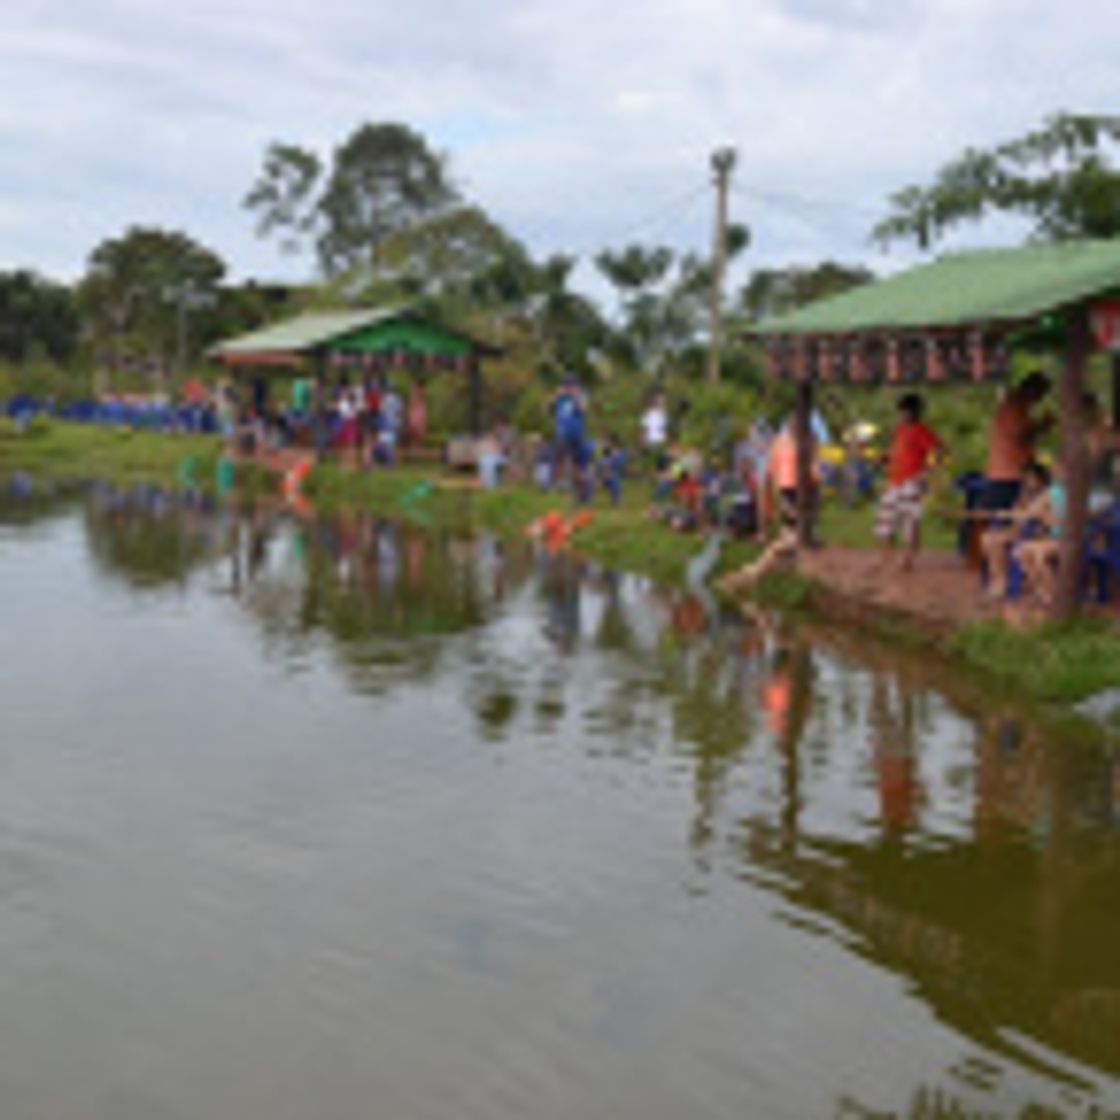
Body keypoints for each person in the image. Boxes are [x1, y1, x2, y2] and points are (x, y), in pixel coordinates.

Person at [875, 392, 945, 570]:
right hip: (893, 481)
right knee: (885, 520)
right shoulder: (898, 429)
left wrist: (926, 472)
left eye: (908, 411)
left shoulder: (922, 430)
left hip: (911, 482)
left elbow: (938, 451)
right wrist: (885, 458)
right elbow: (895, 452)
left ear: (916, 412)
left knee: (910, 521)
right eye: (902, 411)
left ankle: (907, 560)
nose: (904, 415)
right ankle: (888, 558)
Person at [978, 460, 1051, 599]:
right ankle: (999, 580)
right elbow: (1016, 513)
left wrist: (1013, 514)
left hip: (1034, 533)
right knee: (988, 538)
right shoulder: (1024, 494)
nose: (1027, 482)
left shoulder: (1046, 495)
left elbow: (1032, 515)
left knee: (997, 541)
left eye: (1030, 478)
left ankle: (1003, 583)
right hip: (1017, 530)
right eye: (1025, 478)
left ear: (1040, 479)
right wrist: (1010, 513)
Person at [983, 371, 1052, 512]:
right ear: (1032, 390)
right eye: (1040, 394)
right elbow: (1021, 436)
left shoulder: (1019, 407)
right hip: (1009, 475)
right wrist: (1044, 426)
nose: (1039, 399)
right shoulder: (1015, 406)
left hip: (1012, 473)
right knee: (1007, 518)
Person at [640, 394, 669, 468]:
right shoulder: (649, 414)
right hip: (651, 440)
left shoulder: (663, 414)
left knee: (660, 460)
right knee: (651, 459)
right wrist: (643, 440)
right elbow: (645, 428)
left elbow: (665, 428)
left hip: (660, 440)